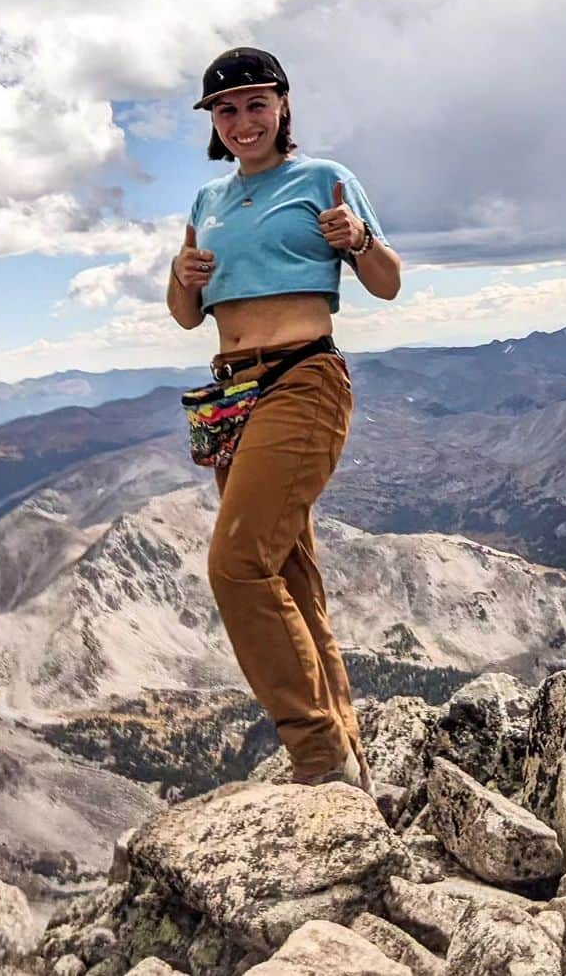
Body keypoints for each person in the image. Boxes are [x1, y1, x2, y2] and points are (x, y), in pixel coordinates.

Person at [166, 47, 401, 789]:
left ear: (283, 106)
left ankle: (315, 755)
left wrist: (356, 241)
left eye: (255, 104)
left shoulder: (325, 179)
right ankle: (349, 758)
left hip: (303, 378)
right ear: (213, 122)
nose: (242, 121)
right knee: (291, 580)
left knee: (236, 564)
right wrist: (181, 277)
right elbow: (184, 316)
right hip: (231, 392)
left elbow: (387, 284)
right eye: (226, 111)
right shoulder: (206, 204)